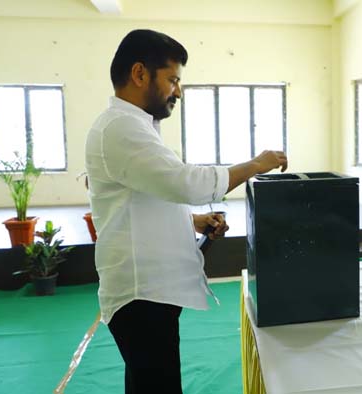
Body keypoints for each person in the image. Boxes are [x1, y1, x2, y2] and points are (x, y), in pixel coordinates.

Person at [84, 29, 288, 393]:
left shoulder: (135, 126)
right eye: (173, 80)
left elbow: (150, 195)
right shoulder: (121, 127)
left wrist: (193, 221)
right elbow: (185, 183)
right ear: (140, 73)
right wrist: (257, 163)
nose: (177, 91)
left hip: (149, 294)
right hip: (141, 296)